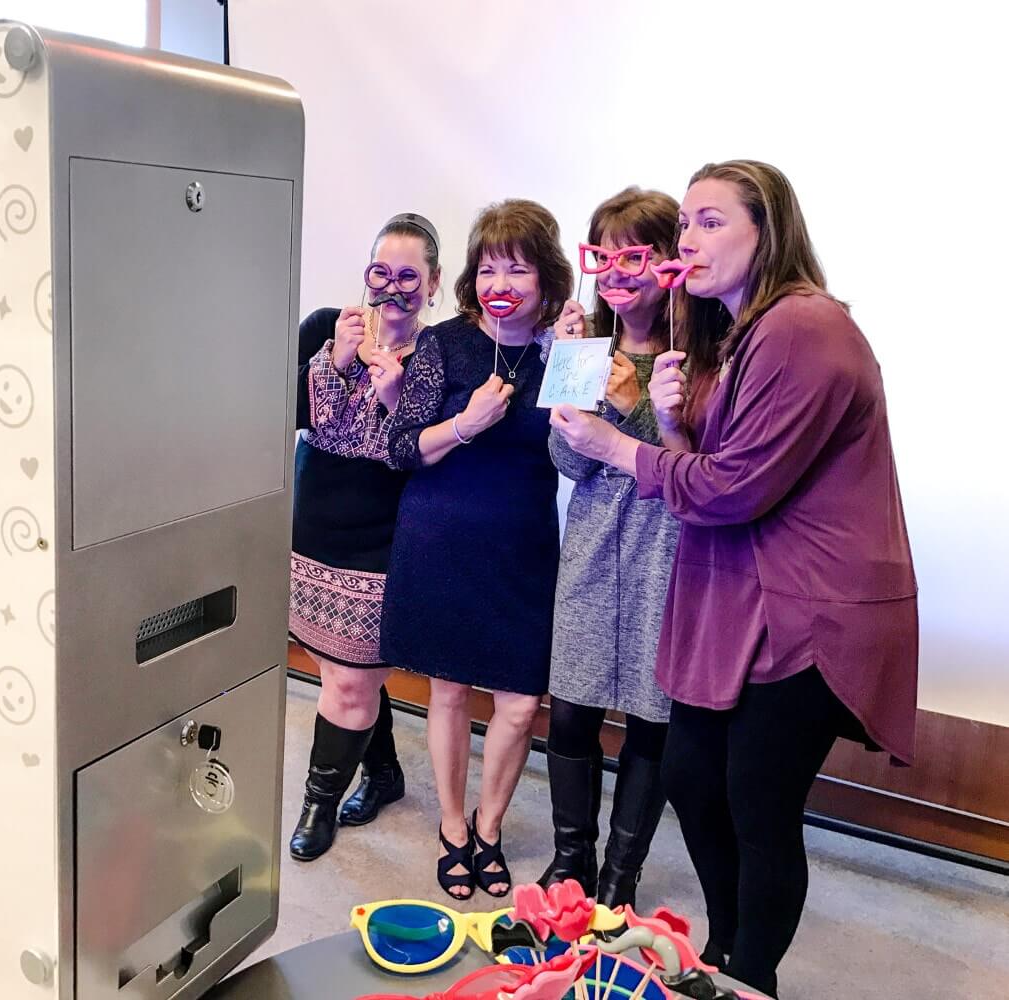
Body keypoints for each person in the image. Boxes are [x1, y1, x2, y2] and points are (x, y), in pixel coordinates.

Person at [548, 160, 917, 997]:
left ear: (767, 230)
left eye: (707, 223)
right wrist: (661, 418)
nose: (684, 242)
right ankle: (722, 956)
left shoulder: (795, 327)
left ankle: (748, 976)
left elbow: (732, 487)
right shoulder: (712, 334)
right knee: (686, 775)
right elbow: (590, 456)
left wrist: (628, 439)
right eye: (684, 224)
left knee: (753, 801)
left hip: (799, 603)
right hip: (723, 584)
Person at [382, 199, 571, 899]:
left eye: (517, 269)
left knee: (520, 703)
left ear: (546, 278)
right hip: (442, 540)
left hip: (522, 547)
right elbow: (401, 447)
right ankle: (454, 826)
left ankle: (490, 827)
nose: (501, 283)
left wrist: (570, 361)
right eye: (489, 268)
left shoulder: (561, 352)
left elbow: (581, 450)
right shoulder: (444, 344)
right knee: (450, 691)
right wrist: (466, 422)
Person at [538, 188, 684, 910]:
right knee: (570, 712)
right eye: (607, 256)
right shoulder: (587, 345)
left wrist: (631, 409)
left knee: (652, 720)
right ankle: (572, 858)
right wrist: (573, 373)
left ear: (669, 262)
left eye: (636, 256)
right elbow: (567, 462)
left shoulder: (699, 355)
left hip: (668, 553)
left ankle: (620, 875)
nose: (619, 273)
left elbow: (694, 469)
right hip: (593, 545)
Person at [288, 213, 443, 862]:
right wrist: (334, 360)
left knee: (351, 684)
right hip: (313, 532)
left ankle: (317, 805)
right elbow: (286, 416)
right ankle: (383, 773)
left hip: (384, 542)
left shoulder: (439, 354)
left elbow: (425, 451)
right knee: (339, 676)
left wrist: (395, 392)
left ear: (433, 283)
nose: (393, 288)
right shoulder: (327, 327)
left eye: (409, 276)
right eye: (381, 272)